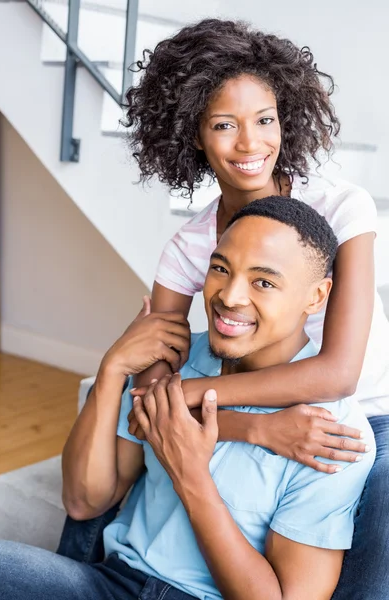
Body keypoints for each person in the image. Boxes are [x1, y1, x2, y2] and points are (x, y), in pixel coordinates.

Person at [60, 19, 389, 599]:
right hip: (243, 399)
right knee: (107, 427)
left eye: (265, 120)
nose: (250, 143)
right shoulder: (188, 246)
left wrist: (187, 396)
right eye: (223, 125)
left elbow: (339, 373)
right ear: (193, 133)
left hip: (361, 408)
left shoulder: (340, 208)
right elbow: (147, 409)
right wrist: (250, 429)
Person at [0, 197, 376, 600]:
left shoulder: (332, 433)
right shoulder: (177, 361)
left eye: (263, 282)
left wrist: (190, 475)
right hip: (111, 584)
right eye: (220, 269)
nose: (230, 296)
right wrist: (112, 370)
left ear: (316, 297)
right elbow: (85, 501)